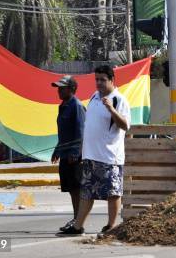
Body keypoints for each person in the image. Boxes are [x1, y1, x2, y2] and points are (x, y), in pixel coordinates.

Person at [58, 65, 131, 236]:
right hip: (91, 155)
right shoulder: (94, 97)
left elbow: (125, 125)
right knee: (86, 193)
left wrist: (111, 110)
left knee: (112, 192)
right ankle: (78, 226)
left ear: (112, 80)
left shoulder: (118, 100)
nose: (98, 83)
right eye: (96, 79)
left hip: (109, 156)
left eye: (103, 80)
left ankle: (111, 225)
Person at [51, 75, 85, 232]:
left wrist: (75, 152)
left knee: (76, 188)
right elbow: (64, 132)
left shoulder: (76, 106)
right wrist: (57, 149)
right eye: (58, 87)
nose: (59, 90)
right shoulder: (63, 105)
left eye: (62, 88)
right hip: (65, 153)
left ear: (72, 89)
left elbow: (80, 131)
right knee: (71, 189)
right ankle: (76, 218)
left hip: (74, 156)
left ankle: (78, 221)